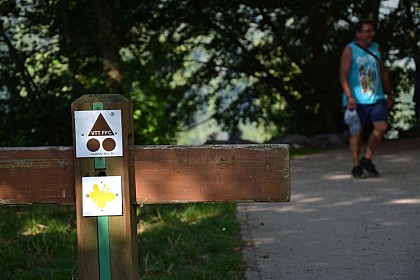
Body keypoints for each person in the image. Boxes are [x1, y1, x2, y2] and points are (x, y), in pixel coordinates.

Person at [340, 18, 393, 178]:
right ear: (358, 33)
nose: (371, 34)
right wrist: (349, 96)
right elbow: (343, 75)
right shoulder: (350, 49)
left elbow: (383, 71)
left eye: (372, 31)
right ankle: (356, 165)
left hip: (376, 97)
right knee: (357, 132)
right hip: (356, 99)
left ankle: (367, 158)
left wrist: (389, 93)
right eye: (367, 31)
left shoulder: (376, 48)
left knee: (381, 127)